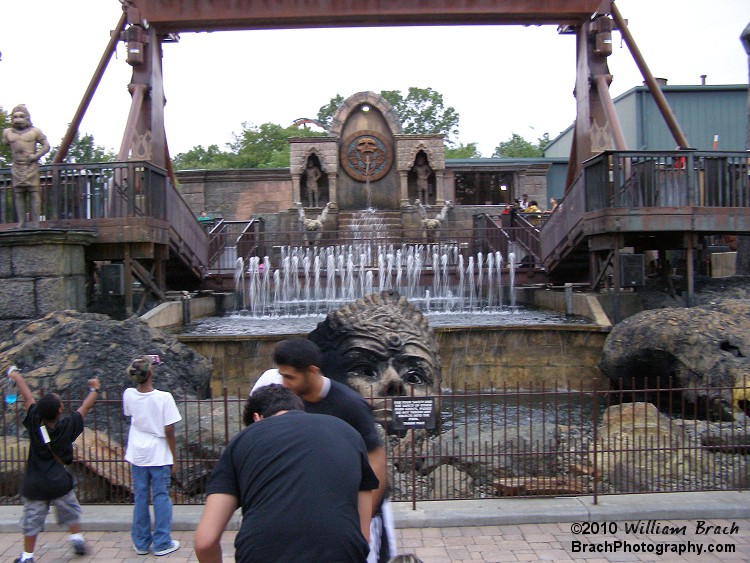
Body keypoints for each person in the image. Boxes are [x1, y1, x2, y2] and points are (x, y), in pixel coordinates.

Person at [194, 384, 379, 562]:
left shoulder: (242, 441)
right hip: (341, 553)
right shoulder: (348, 433)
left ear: (257, 418)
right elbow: (364, 535)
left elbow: (205, 542)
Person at [267, 338, 394, 563]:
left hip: (361, 512)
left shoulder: (349, 404)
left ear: (312, 371)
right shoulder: (290, 403)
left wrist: (361, 519)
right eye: (282, 376)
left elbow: (376, 461)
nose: (284, 383)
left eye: (290, 377)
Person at [9, 365, 100, 562]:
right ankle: (76, 537)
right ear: (60, 410)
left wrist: (16, 376)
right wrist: (94, 389)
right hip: (60, 482)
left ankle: (27, 556)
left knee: (31, 519)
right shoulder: (67, 426)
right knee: (70, 510)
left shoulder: (35, 421)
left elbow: (27, 398)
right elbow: (85, 407)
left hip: (35, 484)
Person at [123, 357, 182, 556]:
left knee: (140, 496)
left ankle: (140, 542)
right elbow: (170, 429)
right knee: (161, 497)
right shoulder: (163, 398)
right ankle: (162, 542)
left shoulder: (129, 394)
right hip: (158, 453)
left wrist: (145, 362)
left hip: (137, 452)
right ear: (150, 373)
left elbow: (131, 414)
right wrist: (174, 456)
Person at [1, 105, 50, 229]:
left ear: (27, 118)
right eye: (15, 116)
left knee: (34, 193)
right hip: (16, 167)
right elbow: (5, 143)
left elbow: (46, 146)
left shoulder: (35, 131)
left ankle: (35, 223)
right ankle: (21, 222)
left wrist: (36, 156)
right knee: (18, 194)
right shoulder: (7, 133)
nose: (18, 119)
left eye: (21, 116)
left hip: (31, 166)